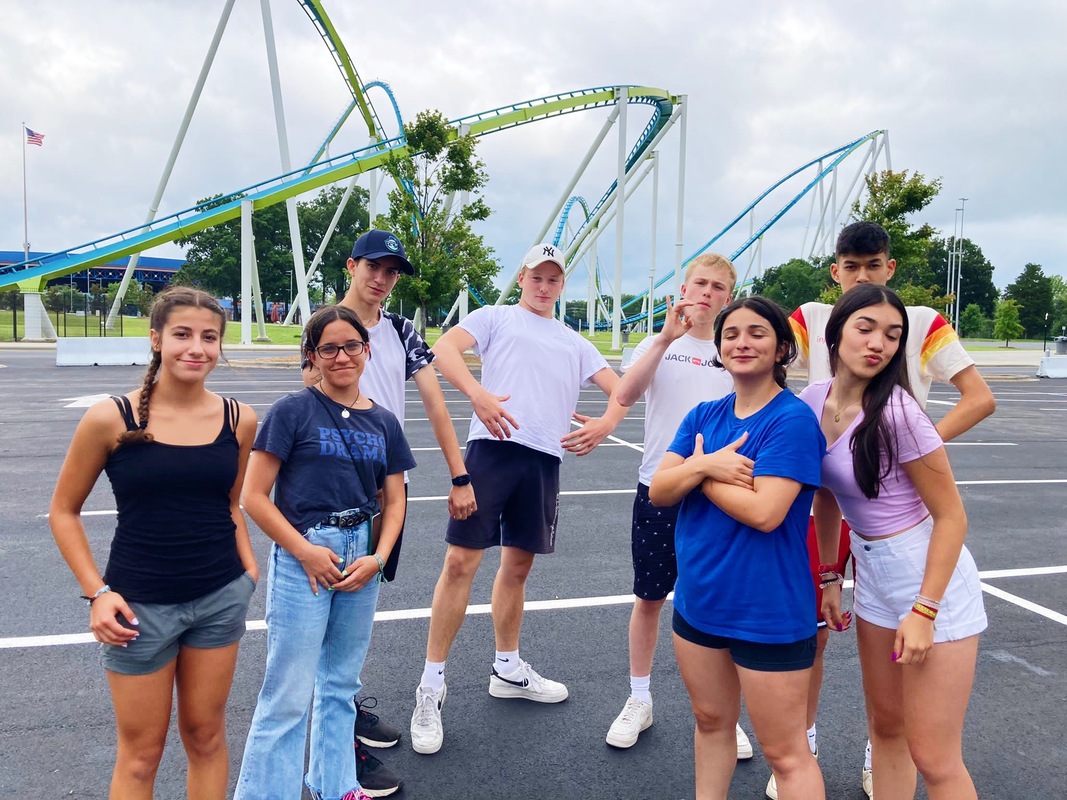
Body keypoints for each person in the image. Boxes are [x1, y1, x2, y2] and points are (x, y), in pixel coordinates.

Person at [780, 220, 995, 799]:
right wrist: (829, 575)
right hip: (870, 575)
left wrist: (924, 610)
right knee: (887, 731)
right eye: (866, 328)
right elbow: (825, 495)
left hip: (929, 580)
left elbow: (952, 517)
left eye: (893, 334)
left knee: (935, 755)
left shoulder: (899, 414)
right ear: (836, 335)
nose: (878, 343)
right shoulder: (812, 401)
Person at [408, 242, 627, 755]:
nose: (544, 285)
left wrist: (607, 423)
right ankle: (430, 687)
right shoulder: (495, 317)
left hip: (543, 460)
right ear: (523, 276)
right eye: (537, 276)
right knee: (461, 562)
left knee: (519, 567)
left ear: (561, 285)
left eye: (553, 279)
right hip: (493, 451)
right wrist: (478, 395)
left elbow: (622, 388)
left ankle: (507, 669)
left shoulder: (575, 342)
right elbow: (442, 350)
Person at [49, 287, 258, 800]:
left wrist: (249, 574)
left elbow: (233, 504)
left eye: (210, 337)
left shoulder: (239, 419)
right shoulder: (111, 418)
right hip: (137, 609)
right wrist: (97, 592)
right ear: (156, 339)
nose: (197, 348)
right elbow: (64, 511)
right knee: (141, 754)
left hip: (219, 599)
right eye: (183, 334)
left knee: (206, 738)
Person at [302, 229, 477, 793]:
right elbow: (313, 405)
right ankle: (338, 748)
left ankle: (347, 705)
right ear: (352, 266)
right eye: (373, 267)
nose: (381, 278)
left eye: (392, 271)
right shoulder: (330, 329)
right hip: (334, 493)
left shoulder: (402, 331)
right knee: (328, 620)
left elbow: (433, 400)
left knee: (357, 611)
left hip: (385, 489)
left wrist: (459, 474)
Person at [234, 305, 415, 800]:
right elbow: (253, 496)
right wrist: (305, 551)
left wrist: (378, 559)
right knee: (287, 693)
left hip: (361, 555)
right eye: (329, 348)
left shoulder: (383, 422)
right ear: (312, 357)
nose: (342, 357)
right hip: (306, 555)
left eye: (351, 346)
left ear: (366, 351)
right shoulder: (293, 410)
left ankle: (335, 784)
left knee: (340, 684)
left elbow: (395, 500)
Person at [649, 296, 826, 800]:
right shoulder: (704, 413)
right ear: (719, 349)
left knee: (785, 753)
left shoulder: (790, 421)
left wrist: (695, 474)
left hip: (767, 609)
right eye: (731, 335)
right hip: (700, 601)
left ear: (781, 350)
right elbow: (659, 492)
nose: (742, 343)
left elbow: (765, 512)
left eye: (756, 333)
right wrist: (707, 467)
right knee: (709, 722)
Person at [605, 253, 753, 758]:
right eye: (699, 284)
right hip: (660, 488)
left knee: (716, 603)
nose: (706, 293)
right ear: (683, 289)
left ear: (728, 297)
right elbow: (624, 394)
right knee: (649, 598)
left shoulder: (736, 351)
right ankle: (639, 698)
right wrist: (666, 338)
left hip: (720, 494)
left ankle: (723, 713)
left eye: (717, 287)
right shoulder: (657, 343)